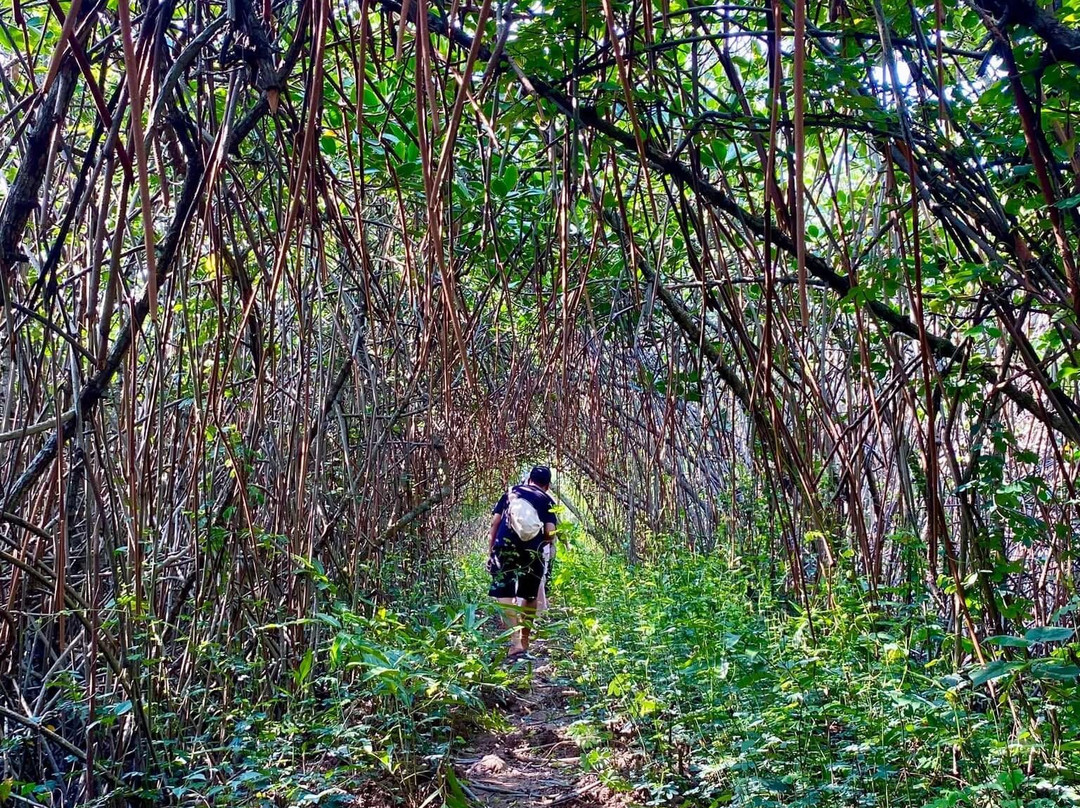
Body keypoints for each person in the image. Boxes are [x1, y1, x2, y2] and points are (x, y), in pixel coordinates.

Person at [487, 465, 557, 658]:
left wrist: (491, 549)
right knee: (530, 594)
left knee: (504, 590)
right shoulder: (546, 500)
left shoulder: (512, 492)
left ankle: (514, 641)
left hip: (504, 546)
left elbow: (495, 523)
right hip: (532, 550)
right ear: (548, 485)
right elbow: (550, 532)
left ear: (528, 480)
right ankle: (524, 642)